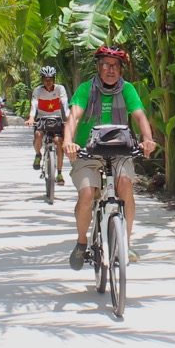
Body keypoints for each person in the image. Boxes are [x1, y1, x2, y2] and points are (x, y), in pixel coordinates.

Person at [62, 46, 157, 269]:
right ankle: (82, 242)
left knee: (125, 185)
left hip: (120, 151)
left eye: (114, 65)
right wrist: (69, 141)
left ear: (121, 70)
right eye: (105, 64)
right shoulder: (86, 89)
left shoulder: (128, 90)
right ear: (98, 67)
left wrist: (147, 139)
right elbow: (73, 117)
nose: (110, 69)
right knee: (87, 194)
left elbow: (140, 116)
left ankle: (126, 242)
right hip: (87, 151)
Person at [25, 66, 69, 183]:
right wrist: (31, 117)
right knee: (38, 134)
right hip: (42, 119)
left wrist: (69, 118)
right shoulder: (37, 90)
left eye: (50, 79)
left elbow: (65, 103)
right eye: (45, 79)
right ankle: (38, 154)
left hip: (57, 119)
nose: (48, 82)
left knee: (58, 142)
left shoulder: (60, 89)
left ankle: (59, 173)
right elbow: (34, 104)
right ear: (42, 80)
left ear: (54, 79)